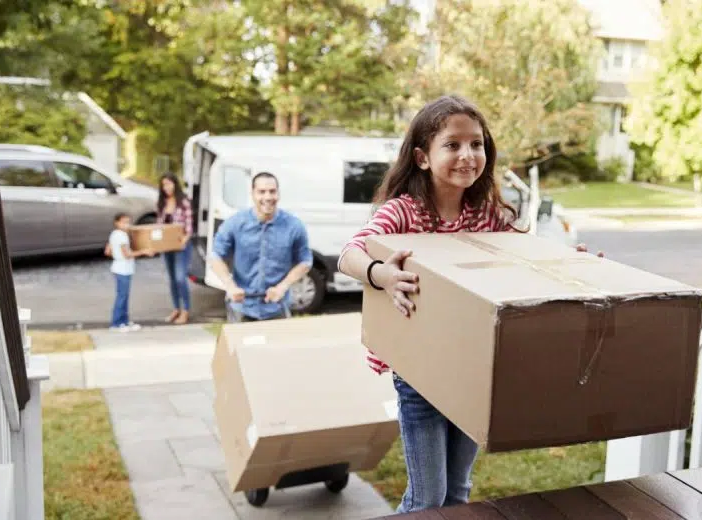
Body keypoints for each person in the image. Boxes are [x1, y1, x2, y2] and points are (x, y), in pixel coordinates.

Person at [337, 94, 603, 513]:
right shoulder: (404, 212)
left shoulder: (487, 215)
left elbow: (527, 257)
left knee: (458, 492)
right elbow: (349, 254)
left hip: (472, 369)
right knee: (427, 498)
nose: (468, 155)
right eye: (453, 145)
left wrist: (573, 264)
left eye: (476, 144)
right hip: (420, 372)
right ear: (423, 157)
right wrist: (381, 274)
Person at [209, 171, 313, 322]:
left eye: (272, 191)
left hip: (277, 307)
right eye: (261, 192)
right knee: (239, 346)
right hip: (242, 308)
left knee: (277, 346)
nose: (268, 197)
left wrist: (282, 287)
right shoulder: (235, 223)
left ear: (278, 193)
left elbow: (305, 261)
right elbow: (215, 256)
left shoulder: (294, 226)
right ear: (252, 194)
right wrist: (230, 286)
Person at [156, 172, 194, 325]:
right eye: (164, 185)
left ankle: (185, 310)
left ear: (175, 184)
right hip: (167, 246)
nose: (166, 188)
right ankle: (176, 308)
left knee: (180, 278)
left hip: (181, 245)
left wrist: (184, 240)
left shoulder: (184, 201)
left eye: (169, 184)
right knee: (172, 279)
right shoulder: (162, 203)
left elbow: (190, 226)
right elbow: (159, 225)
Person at [106, 212, 153, 332]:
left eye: (128, 222)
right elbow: (127, 254)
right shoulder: (122, 236)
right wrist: (144, 251)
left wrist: (117, 255)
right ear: (117, 223)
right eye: (124, 222)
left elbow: (107, 251)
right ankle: (117, 323)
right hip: (123, 269)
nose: (127, 225)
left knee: (124, 296)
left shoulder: (114, 234)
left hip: (118, 267)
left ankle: (124, 321)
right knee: (122, 297)